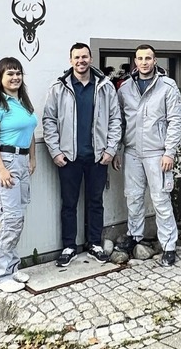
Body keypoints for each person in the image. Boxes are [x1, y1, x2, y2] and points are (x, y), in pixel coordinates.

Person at [42, 43, 121, 267]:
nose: (81, 61)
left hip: (98, 157)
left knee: (95, 202)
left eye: (84, 57)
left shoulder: (105, 87)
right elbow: (48, 120)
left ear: (91, 59)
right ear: (70, 61)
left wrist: (110, 149)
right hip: (69, 157)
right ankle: (69, 246)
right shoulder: (59, 88)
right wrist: (55, 151)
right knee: (69, 203)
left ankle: (94, 243)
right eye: (76, 57)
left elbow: (115, 119)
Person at [113, 44, 181, 266]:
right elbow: (119, 122)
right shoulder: (125, 88)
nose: (144, 62)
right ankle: (135, 236)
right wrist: (116, 149)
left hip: (157, 154)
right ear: (135, 61)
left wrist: (169, 152)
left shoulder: (167, 86)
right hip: (132, 152)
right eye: (140, 58)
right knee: (133, 197)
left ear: (155, 60)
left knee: (161, 200)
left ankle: (169, 245)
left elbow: (175, 121)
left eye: (148, 58)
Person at [0, 57, 37, 293]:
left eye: (18, 73)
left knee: (19, 216)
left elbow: (31, 131)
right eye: (10, 74)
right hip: (5, 161)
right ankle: (0, 275)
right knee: (11, 219)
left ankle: (12, 267)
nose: (15, 77)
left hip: (22, 160)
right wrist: (1, 169)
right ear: (1, 77)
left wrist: (32, 157)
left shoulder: (23, 101)